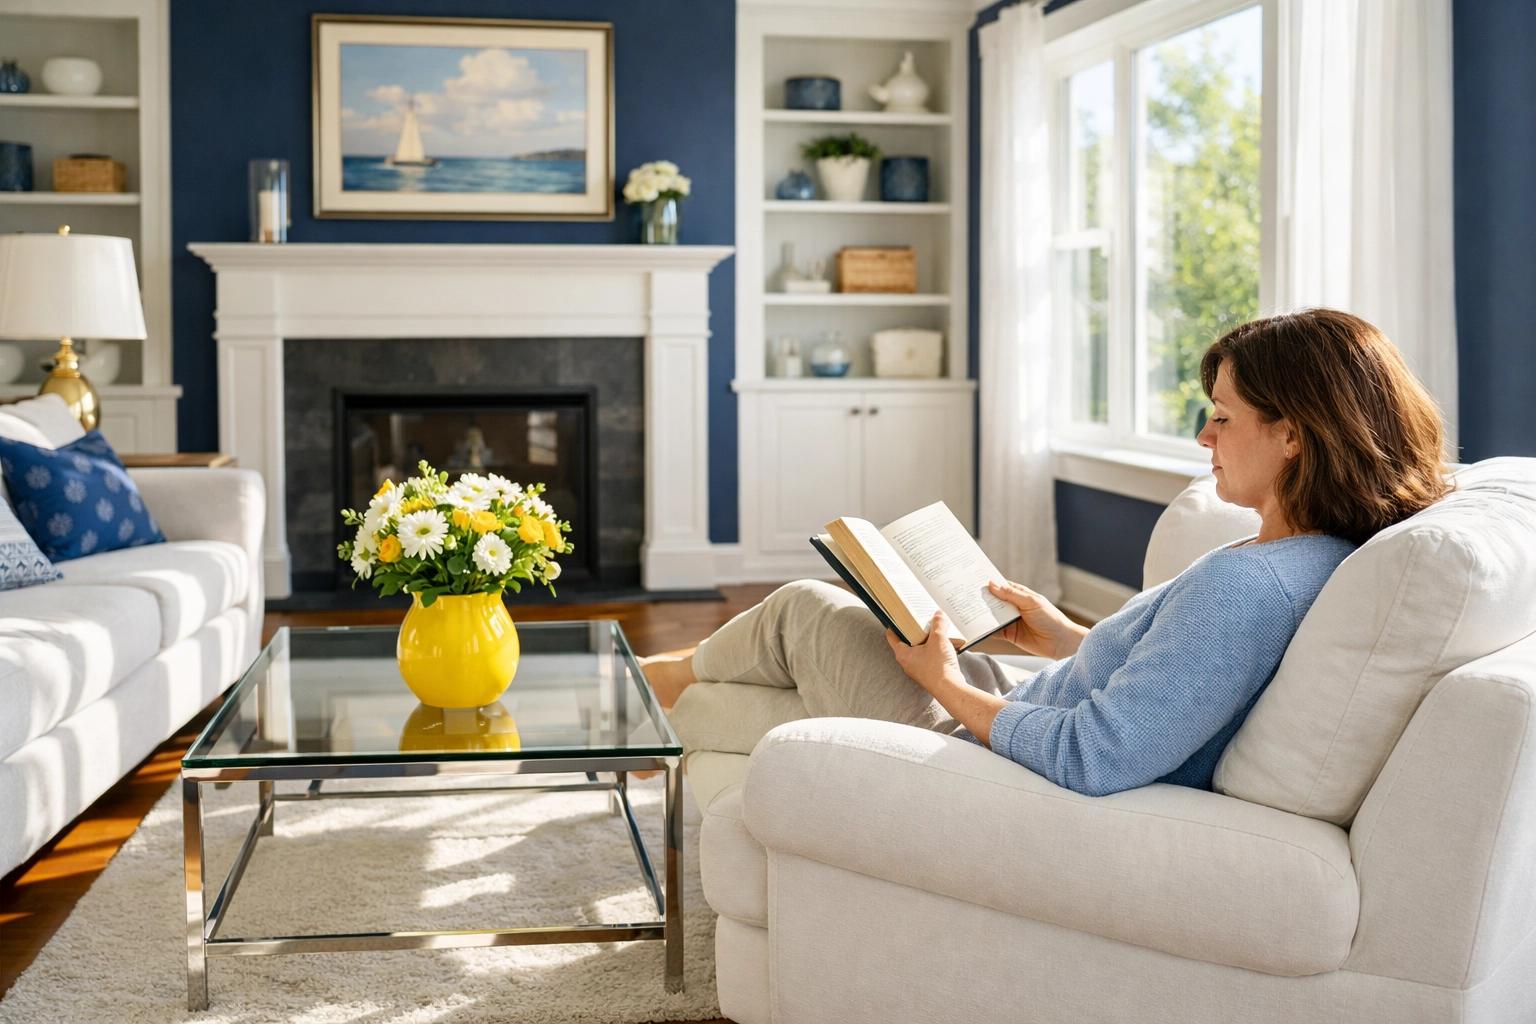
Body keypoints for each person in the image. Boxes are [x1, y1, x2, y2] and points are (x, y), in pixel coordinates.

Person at [647, 309, 1452, 797]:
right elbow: (1173, 679)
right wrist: (1062, 636)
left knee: (803, 610)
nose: (1203, 436)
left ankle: (650, 687)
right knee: (768, 699)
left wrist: (944, 683)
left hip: (980, 748)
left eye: (1223, 417)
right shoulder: (1304, 554)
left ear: (1293, 434)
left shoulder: (1253, 586)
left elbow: (1096, 755)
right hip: (1029, 694)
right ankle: (658, 706)